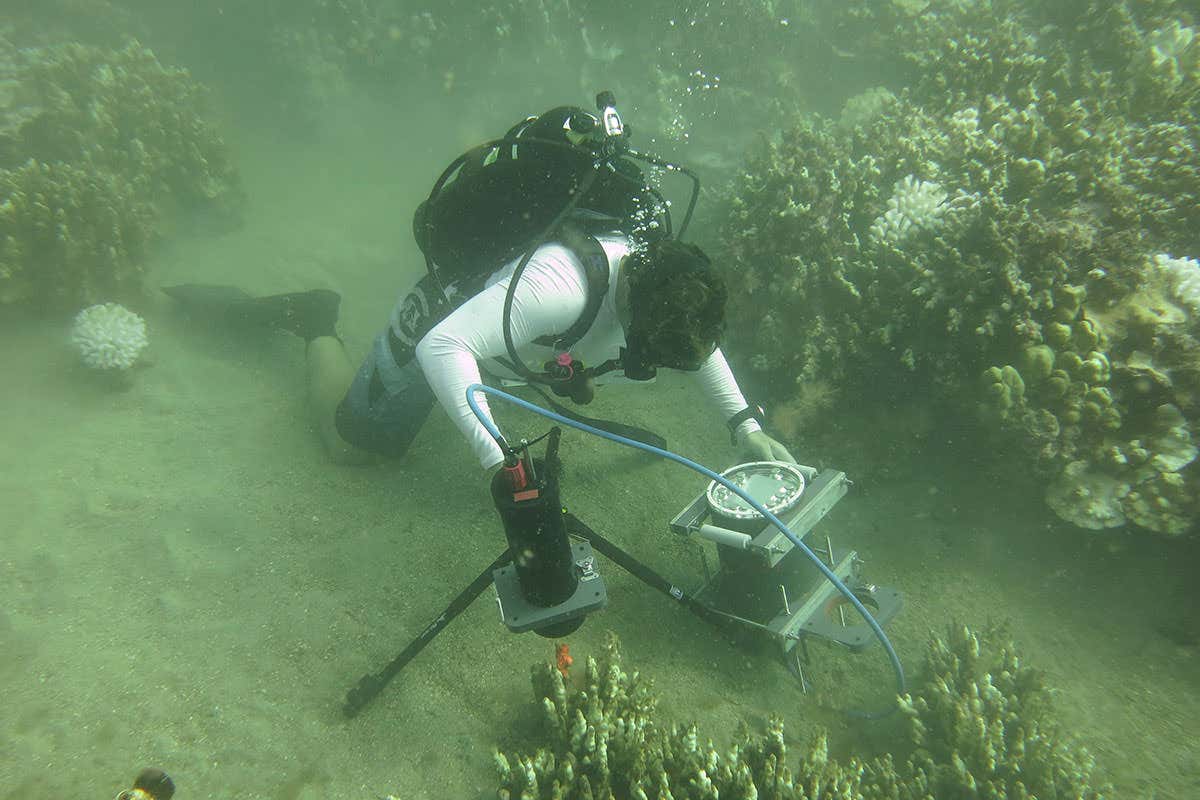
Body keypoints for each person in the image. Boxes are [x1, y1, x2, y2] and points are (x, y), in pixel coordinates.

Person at [167, 100, 795, 472]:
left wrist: (744, 425)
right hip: (454, 305)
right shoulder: (562, 289)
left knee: (494, 346)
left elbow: (698, 339)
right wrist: (500, 458)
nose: (654, 367)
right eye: (657, 357)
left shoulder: (663, 281)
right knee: (352, 446)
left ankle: (488, 344)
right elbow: (443, 345)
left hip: (509, 320)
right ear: (634, 309)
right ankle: (316, 321)